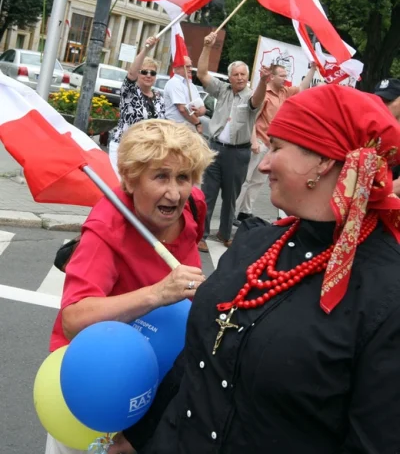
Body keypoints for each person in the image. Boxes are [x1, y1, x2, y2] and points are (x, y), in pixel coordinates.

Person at [109, 84, 400, 454]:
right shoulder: (253, 243)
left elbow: (373, 440)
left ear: (324, 162)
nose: (263, 162)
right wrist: (138, 437)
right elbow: (198, 358)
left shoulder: (385, 292)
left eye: (277, 147)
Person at [45, 119, 215, 454]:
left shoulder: (193, 204)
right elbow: (74, 320)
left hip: (159, 379)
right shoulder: (106, 227)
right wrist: (157, 294)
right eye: (160, 176)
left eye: (183, 177)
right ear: (130, 180)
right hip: (99, 379)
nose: (175, 192)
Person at [196, 32, 266, 253]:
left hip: (239, 153)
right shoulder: (222, 90)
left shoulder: (251, 96)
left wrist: (263, 81)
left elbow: (258, 100)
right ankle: (202, 235)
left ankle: (225, 233)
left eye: (243, 74)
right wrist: (207, 47)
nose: (240, 78)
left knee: (231, 196)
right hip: (215, 149)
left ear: (248, 77)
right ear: (230, 76)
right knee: (208, 193)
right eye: (236, 74)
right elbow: (202, 73)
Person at [234, 61, 317, 225]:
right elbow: (252, 119)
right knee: (246, 179)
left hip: (271, 144)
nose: (285, 79)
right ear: (271, 76)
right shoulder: (264, 93)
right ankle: (233, 211)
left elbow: (302, 88)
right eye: (282, 76)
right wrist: (253, 142)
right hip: (259, 141)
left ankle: (245, 211)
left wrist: (313, 68)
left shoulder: (285, 92)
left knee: (258, 180)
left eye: (286, 76)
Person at [109, 36, 165, 176]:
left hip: (146, 153)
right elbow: (131, 74)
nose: (148, 75)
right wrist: (146, 49)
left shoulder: (159, 98)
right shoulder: (131, 92)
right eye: (144, 72)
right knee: (119, 187)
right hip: (124, 149)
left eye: (152, 73)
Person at [163, 55, 206, 133]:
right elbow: (182, 109)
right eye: (187, 66)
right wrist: (198, 123)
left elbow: (203, 107)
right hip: (175, 129)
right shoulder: (174, 82)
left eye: (191, 66)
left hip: (188, 130)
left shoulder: (191, 86)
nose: (190, 69)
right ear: (177, 68)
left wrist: (199, 112)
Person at [374, 77, 400, 196]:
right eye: (378, 100)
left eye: (387, 100)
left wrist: (367, 198)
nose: (382, 105)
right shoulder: (374, 131)